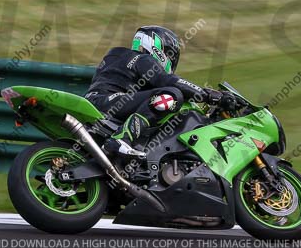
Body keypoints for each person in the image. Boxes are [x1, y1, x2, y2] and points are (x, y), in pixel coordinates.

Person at [84, 25, 238, 157]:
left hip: (104, 102)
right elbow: (169, 81)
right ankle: (121, 139)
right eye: (171, 55)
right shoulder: (141, 58)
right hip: (107, 102)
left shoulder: (121, 59)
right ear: (159, 48)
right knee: (171, 94)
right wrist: (209, 95)